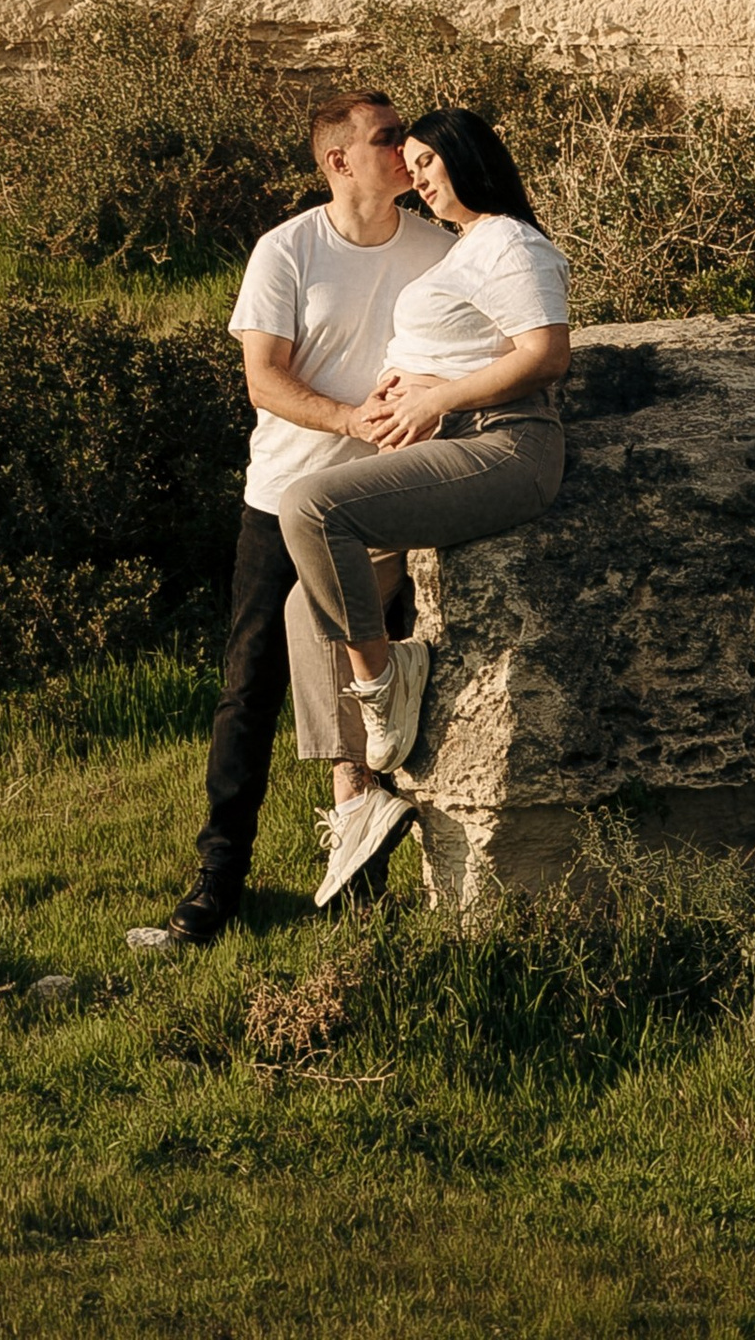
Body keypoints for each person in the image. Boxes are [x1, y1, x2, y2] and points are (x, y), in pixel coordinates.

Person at [126, 92, 451, 954]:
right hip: (283, 502)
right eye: (387, 140)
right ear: (338, 161)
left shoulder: (438, 247)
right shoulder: (288, 250)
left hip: (391, 501)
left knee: (381, 683)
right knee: (250, 690)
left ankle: (365, 872)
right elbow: (263, 380)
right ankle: (217, 882)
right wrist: (351, 419)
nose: (404, 153)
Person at [282, 103, 570, 908]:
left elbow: (546, 352)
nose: (418, 176)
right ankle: (358, 800)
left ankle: (388, 678)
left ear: (469, 160)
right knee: (305, 608)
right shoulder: (466, 246)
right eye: (408, 160)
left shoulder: (511, 240)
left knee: (313, 509)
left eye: (430, 162)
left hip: (506, 446)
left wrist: (436, 395)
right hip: (448, 441)